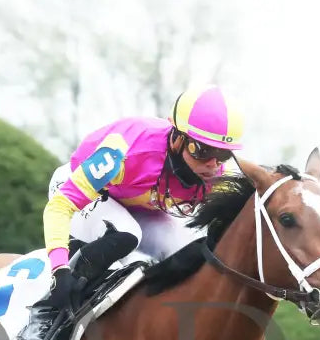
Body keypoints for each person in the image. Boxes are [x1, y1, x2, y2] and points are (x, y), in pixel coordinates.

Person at [36, 85, 244, 315]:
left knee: (187, 251)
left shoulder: (215, 174)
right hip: (76, 191)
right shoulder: (123, 153)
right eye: (203, 151)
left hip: (134, 207)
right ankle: (48, 310)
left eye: (223, 155)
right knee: (127, 233)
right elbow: (59, 207)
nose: (212, 165)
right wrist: (59, 269)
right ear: (177, 138)